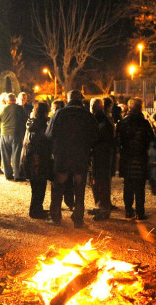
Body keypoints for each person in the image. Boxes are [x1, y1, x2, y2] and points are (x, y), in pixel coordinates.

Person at [46, 90, 98, 228]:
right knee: (79, 189)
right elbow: (95, 137)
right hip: (81, 157)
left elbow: (49, 134)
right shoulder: (88, 115)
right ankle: (78, 219)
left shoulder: (59, 113)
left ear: (68, 99)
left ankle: (56, 216)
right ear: (81, 99)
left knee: (58, 187)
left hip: (62, 157)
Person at [116, 98, 154, 221]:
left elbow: (118, 141)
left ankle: (128, 211)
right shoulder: (144, 123)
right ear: (139, 108)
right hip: (141, 158)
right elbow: (151, 140)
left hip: (127, 158)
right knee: (140, 187)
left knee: (128, 185)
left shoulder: (122, 123)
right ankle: (140, 213)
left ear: (129, 108)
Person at [20, 101, 52, 219]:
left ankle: (37, 208)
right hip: (38, 159)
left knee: (36, 187)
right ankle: (35, 211)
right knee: (40, 186)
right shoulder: (42, 125)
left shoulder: (31, 122)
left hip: (30, 158)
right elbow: (44, 141)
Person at [89, 97, 115, 221]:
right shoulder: (102, 119)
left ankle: (104, 209)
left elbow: (97, 138)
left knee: (102, 182)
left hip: (101, 156)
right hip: (102, 155)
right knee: (99, 181)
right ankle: (102, 206)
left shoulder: (100, 120)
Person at [0, 93, 27, 181]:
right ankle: (17, 175)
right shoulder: (19, 108)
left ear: (7, 100)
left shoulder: (2, 109)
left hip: (4, 134)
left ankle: (8, 174)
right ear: (15, 100)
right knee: (16, 155)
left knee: (5, 155)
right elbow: (24, 119)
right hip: (16, 133)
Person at [50, 99, 74, 211]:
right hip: (57, 153)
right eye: (54, 108)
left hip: (63, 153)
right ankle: (57, 207)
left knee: (67, 180)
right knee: (57, 181)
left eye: (58, 108)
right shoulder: (51, 119)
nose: (56, 110)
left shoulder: (63, 119)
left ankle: (69, 202)